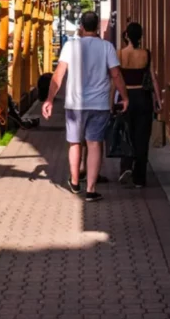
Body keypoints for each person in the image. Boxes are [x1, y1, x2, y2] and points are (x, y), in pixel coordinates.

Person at [42, 11, 129, 202]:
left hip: (74, 105)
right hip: (99, 105)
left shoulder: (70, 46)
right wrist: (124, 97)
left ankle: (74, 182)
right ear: (97, 27)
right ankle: (90, 189)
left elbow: (58, 75)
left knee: (74, 143)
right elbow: (116, 74)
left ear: (81, 26)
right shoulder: (107, 47)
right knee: (94, 143)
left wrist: (49, 99)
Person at [116, 22, 162, 188]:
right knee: (142, 138)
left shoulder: (120, 54)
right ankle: (139, 178)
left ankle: (126, 166)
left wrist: (110, 103)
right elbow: (153, 78)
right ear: (141, 36)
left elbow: (115, 79)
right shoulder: (146, 54)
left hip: (125, 97)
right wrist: (158, 99)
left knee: (126, 134)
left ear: (126, 35)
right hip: (143, 97)